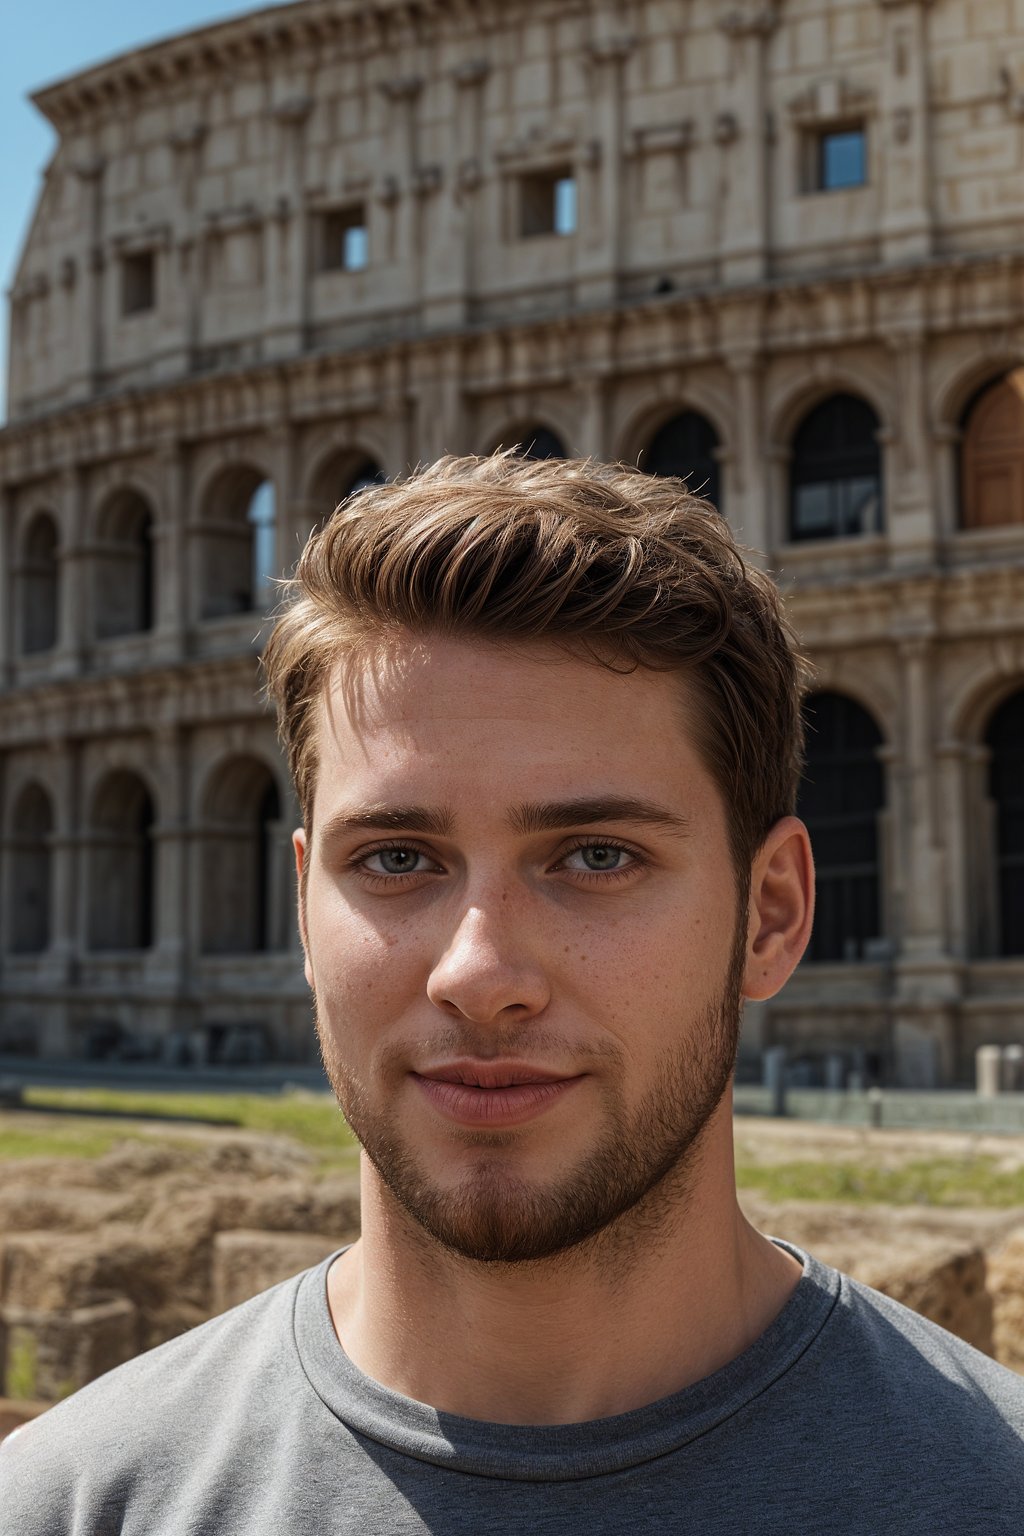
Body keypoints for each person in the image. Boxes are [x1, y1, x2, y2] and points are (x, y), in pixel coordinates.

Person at [2, 454, 1022, 1533]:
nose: (478, 975)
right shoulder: (62, 1507)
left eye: (594, 856)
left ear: (768, 914)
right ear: (304, 909)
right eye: (396, 860)